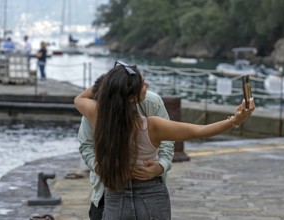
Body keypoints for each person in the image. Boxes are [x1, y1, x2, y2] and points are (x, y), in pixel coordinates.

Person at [74, 61, 255, 220]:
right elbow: (199, 131)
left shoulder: (98, 116)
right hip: (150, 194)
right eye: (142, 85)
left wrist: (109, 83)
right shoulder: (151, 126)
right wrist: (234, 121)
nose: (147, 84)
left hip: (115, 194)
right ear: (132, 98)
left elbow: (79, 99)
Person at [78, 73, 175, 220]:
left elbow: (168, 139)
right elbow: (86, 146)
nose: (147, 85)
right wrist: (101, 168)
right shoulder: (96, 108)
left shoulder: (152, 102)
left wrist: (161, 166)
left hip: (149, 188)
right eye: (141, 83)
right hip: (107, 188)